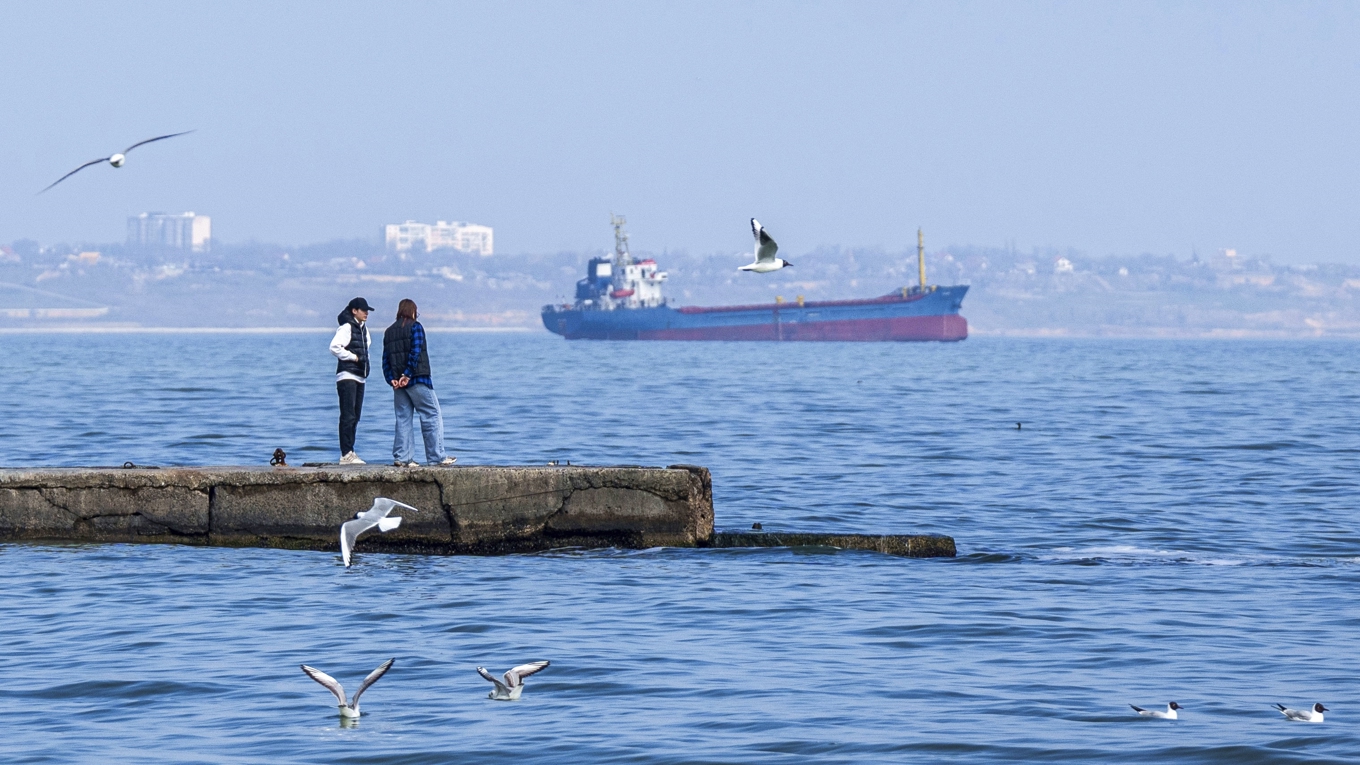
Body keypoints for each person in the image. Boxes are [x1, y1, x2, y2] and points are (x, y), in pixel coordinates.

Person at [382, 298, 456, 467]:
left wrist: (391, 379)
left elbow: (385, 359)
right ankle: (436, 457)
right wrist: (407, 374)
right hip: (417, 380)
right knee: (431, 414)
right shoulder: (416, 327)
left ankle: (402, 458)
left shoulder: (389, 331)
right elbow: (415, 353)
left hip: (398, 384)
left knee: (403, 418)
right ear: (413, 311)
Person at [329, 297, 374, 464]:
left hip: (360, 376)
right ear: (354, 311)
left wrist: (364, 365)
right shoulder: (347, 327)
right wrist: (354, 357)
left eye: (367, 310)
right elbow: (334, 347)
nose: (366, 313)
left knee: (355, 416)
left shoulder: (363, 329)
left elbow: (366, 348)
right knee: (347, 415)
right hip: (347, 376)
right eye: (363, 310)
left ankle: (350, 451)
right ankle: (346, 453)